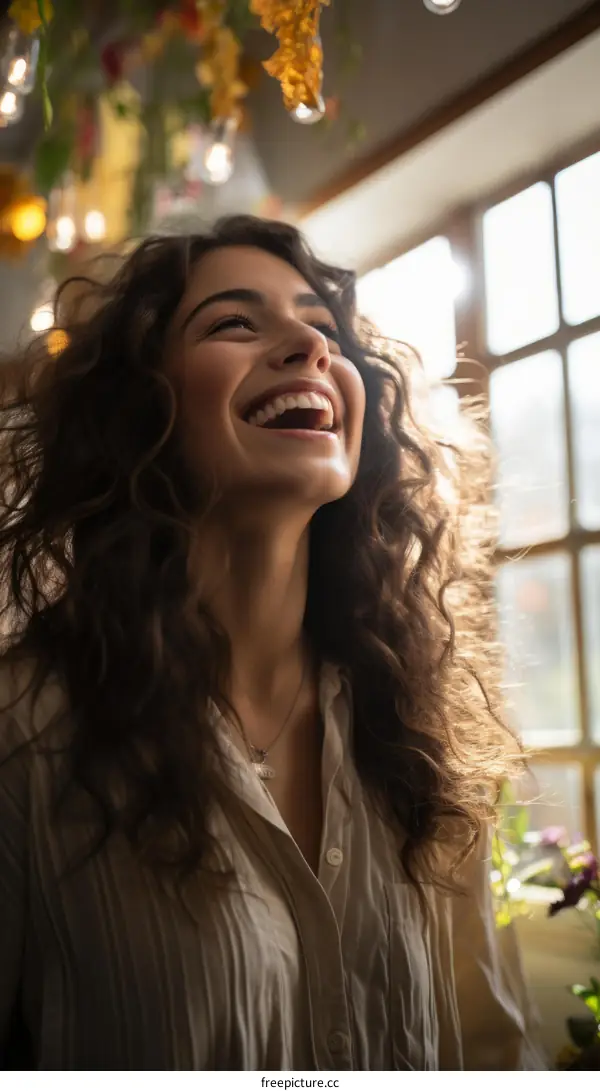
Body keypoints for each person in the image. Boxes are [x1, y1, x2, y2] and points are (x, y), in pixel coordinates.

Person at [0, 215, 545, 1071]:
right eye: (234, 322)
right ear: (144, 406)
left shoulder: (415, 730)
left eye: (325, 328)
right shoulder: (23, 731)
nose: (308, 344)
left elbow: (495, 1051)